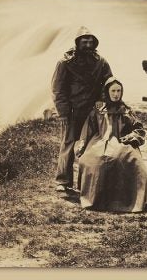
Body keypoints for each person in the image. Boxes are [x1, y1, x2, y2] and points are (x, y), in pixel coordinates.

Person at [51, 26, 113, 192]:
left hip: (92, 111)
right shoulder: (65, 62)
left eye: (91, 40)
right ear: (77, 42)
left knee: (91, 145)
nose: (88, 43)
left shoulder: (100, 62)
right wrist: (63, 113)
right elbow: (58, 90)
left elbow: (108, 83)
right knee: (69, 144)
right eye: (84, 40)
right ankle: (63, 181)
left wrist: (102, 99)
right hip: (72, 111)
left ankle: (86, 182)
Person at [75, 77, 147, 212]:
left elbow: (139, 129)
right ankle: (97, 200)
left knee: (133, 162)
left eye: (119, 91)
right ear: (107, 92)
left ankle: (128, 202)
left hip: (121, 141)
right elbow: (87, 130)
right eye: (113, 91)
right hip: (100, 140)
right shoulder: (98, 110)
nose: (116, 94)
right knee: (93, 161)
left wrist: (131, 137)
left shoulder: (126, 110)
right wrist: (82, 147)